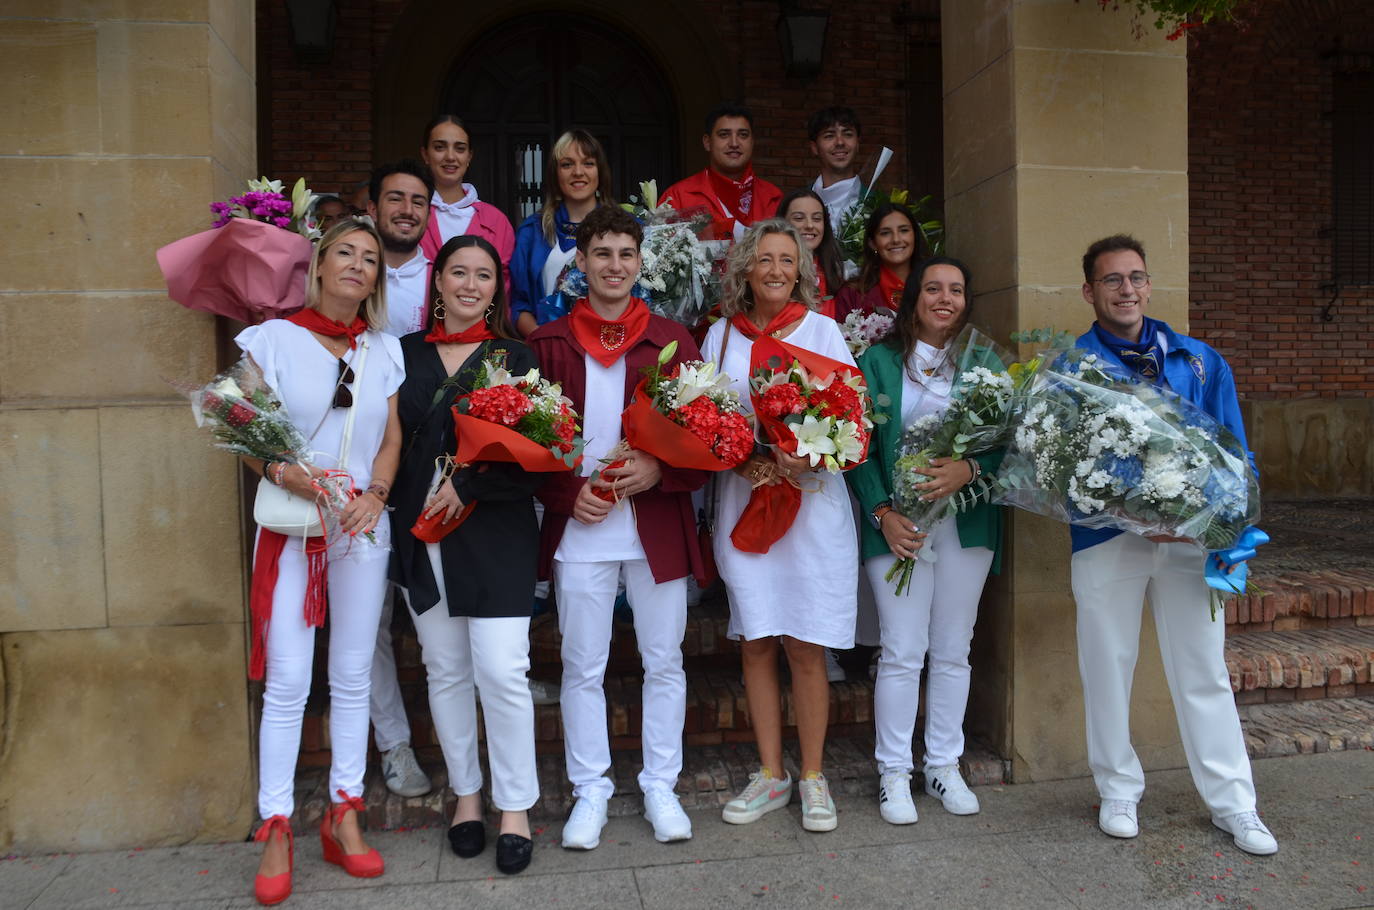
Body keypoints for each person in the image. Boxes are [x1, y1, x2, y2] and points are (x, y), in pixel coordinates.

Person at [1071, 234, 1277, 856]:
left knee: (1203, 668)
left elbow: (1236, 455)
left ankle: (1235, 804)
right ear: (1089, 291)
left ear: (1149, 284)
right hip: (1106, 538)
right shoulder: (1071, 367)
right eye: (1112, 279)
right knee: (1107, 665)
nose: (1126, 289)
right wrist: (1130, 511)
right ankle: (1117, 790)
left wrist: (1221, 520)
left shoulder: (1199, 361)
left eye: (1135, 277)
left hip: (1191, 540)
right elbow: (1059, 466)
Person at [527, 206, 707, 849]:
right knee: (583, 665)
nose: (614, 265)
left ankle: (661, 785)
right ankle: (591, 789)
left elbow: (710, 437)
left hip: (655, 524)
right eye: (601, 253)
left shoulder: (672, 340)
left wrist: (661, 468)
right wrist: (565, 493)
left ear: (640, 262)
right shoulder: (549, 344)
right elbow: (525, 447)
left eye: (626, 254)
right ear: (580, 262)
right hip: (583, 528)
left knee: (664, 661)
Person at [239, 218, 403, 904]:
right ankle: (277, 827)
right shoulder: (271, 340)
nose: (358, 265)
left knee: (353, 673)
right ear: (319, 264)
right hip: (293, 523)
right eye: (346, 253)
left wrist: (376, 494)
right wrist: (286, 473)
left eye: (370, 259)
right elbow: (243, 432)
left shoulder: (384, 349)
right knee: (288, 680)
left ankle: (345, 813)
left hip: (359, 525)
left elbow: (390, 439)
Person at [389, 234, 540, 875]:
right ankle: (468, 797)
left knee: (502, 670)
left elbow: (539, 450)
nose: (470, 285)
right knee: (445, 670)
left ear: (496, 288)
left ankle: (515, 806)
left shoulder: (516, 356)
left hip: (495, 530)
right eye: (459, 272)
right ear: (438, 282)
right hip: (422, 531)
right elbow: (385, 441)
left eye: (483, 275)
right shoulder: (401, 355)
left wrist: (469, 484)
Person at [701, 219, 858, 833]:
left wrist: (810, 454)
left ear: (801, 272)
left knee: (806, 643)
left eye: (786, 260)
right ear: (746, 268)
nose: (774, 269)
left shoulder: (823, 331)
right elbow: (702, 419)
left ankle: (813, 775)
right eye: (763, 258)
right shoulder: (719, 337)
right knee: (758, 639)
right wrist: (741, 457)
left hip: (811, 508)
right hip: (746, 502)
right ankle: (772, 774)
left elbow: (851, 418)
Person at [846, 256, 1003, 825]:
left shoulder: (984, 364)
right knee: (902, 650)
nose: (944, 298)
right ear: (913, 297)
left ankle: (943, 765)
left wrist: (970, 468)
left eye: (955, 290)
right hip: (898, 528)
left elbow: (1009, 442)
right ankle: (894, 772)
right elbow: (857, 445)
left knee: (954, 648)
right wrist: (882, 512)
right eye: (933, 288)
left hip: (966, 523)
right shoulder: (878, 361)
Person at [359, 159, 435, 800]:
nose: (406, 210)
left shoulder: (445, 275)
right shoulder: (350, 271)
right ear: (373, 206)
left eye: (418, 201)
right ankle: (395, 743)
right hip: (357, 468)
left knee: (437, 606)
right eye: (395, 199)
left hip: (424, 467)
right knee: (370, 621)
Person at [510, 129, 617, 337]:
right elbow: (518, 303)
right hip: (550, 346)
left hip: (612, 342)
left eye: (588, 163)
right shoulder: (532, 231)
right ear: (555, 174)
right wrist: (544, 340)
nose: (578, 172)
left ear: (600, 172)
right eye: (567, 165)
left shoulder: (625, 227)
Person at [418, 115, 516, 299]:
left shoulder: (496, 221)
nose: (450, 156)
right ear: (425, 154)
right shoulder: (411, 215)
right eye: (439, 147)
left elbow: (504, 290)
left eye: (460, 148)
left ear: (469, 156)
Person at [660, 102, 782, 242]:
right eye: (724, 135)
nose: (734, 143)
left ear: (752, 142)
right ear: (707, 142)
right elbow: (657, 251)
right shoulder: (677, 197)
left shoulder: (773, 197)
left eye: (743, 135)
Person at [833, 202, 918, 321]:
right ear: (872, 243)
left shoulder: (934, 286)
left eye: (904, 230)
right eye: (885, 233)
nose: (896, 239)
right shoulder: (852, 293)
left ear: (915, 236)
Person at [776, 188, 845, 314]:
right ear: (781, 223)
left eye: (817, 219)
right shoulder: (771, 272)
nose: (809, 225)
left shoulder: (833, 271)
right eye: (799, 218)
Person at [806, 107, 863, 232]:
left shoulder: (875, 203)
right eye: (829, 136)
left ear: (858, 143)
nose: (840, 142)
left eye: (848, 134)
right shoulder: (797, 204)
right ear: (814, 147)